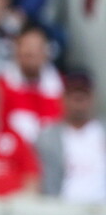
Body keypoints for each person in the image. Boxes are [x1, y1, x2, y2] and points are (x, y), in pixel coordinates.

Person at [35, 70, 106, 202]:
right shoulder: (47, 138)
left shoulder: (102, 132)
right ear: (64, 98)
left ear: (92, 98)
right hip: (63, 211)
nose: (78, 103)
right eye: (74, 96)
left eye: (83, 96)